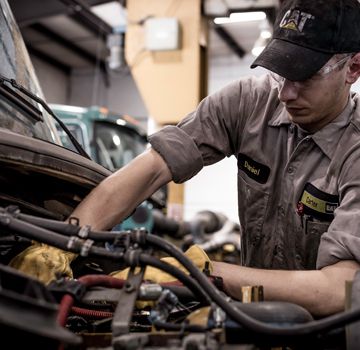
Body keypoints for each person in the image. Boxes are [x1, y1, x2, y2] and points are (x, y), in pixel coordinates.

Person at [11, 0, 360, 317]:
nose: (285, 92)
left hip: (323, 333)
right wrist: (62, 242)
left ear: (353, 68)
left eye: (305, 76)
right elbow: (152, 168)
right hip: (248, 318)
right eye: (283, 72)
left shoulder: (355, 150)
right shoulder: (249, 103)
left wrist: (202, 271)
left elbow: (338, 289)